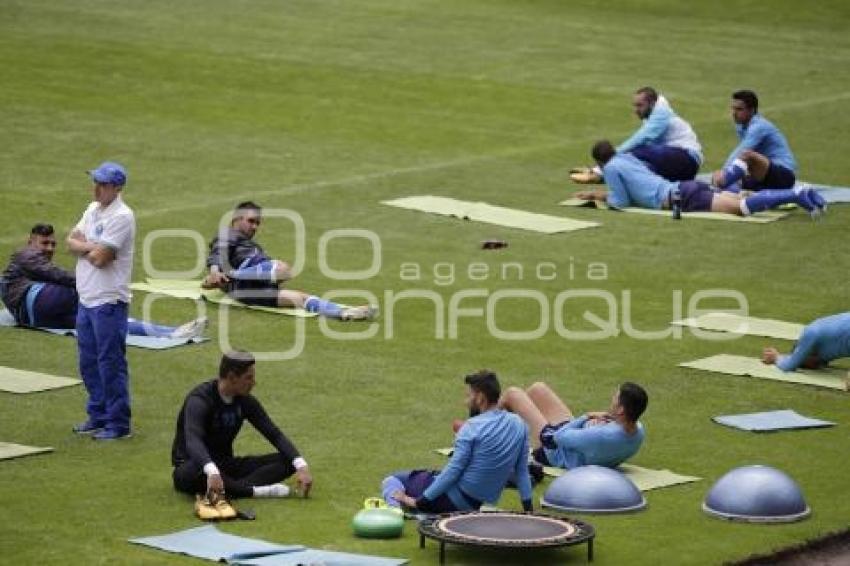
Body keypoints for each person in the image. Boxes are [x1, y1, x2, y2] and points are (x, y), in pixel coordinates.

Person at [1, 223, 206, 338]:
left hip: (37, 317)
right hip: (35, 304)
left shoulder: (25, 265)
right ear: (30, 243)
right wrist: (90, 282)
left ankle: (172, 332)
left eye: (53, 244)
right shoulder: (25, 254)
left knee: (106, 324)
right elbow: (56, 275)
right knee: (97, 296)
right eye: (44, 243)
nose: (49, 248)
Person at [171, 350, 313, 500]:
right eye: (248, 378)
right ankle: (253, 491)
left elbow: (274, 434)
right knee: (192, 471)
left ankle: (232, 489)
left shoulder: (244, 401)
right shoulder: (200, 400)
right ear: (232, 377)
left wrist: (301, 467)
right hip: (194, 467)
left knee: (288, 460)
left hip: (226, 465)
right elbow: (193, 440)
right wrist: (212, 471)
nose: (253, 383)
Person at [387, 370, 534, 513]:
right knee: (432, 475)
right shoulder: (520, 424)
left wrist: (419, 502)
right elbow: (522, 472)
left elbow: (453, 471)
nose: (466, 401)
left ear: (480, 397)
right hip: (475, 504)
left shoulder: (472, 427)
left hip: (449, 501)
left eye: (469, 396)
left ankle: (394, 512)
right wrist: (529, 512)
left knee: (393, 480)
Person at [203, 201, 376, 321]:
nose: (255, 226)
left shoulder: (247, 242)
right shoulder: (228, 234)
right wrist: (215, 272)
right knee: (283, 269)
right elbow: (218, 252)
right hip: (244, 282)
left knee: (300, 298)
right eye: (251, 221)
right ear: (236, 219)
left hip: (247, 292)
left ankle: (343, 312)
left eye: (257, 223)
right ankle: (232, 275)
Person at [66, 162, 136, 440]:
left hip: (108, 302)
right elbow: (71, 241)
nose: (96, 188)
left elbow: (100, 259)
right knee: (88, 362)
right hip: (86, 299)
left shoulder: (122, 216)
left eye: (103, 184)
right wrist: (92, 246)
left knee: (111, 364)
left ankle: (118, 424)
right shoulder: (92, 209)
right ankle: (97, 415)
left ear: (117, 188)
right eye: (95, 181)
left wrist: (90, 249)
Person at [574, 140, 825, 217]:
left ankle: (797, 194)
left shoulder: (611, 169)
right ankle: (807, 196)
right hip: (683, 188)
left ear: (599, 162)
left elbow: (621, 201)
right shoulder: (627, 157)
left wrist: (597, 195)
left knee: (741, 207)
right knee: (740, 198)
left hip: (681, 197)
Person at [500, 381, 648, 470]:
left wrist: (587, 417)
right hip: (575, 441)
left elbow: (556, 437)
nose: (612, 399)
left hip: (552, 450)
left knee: (512, 394)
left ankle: (483, 431)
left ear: (621, 410)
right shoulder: (638, 431)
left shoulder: (600, 436)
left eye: (616, 398)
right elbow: (601, 440)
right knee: (538, 389)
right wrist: (594, 424)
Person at [571, 86, 703, 183]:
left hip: (687, 159)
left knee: (639, 150)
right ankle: (599, 174)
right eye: (634, 106)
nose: (636, 111)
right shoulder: (653, 115)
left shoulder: (661, 113)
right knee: (638, 166)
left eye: (640, 106)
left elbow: (639, 140)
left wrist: (607, 159)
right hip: (680, 167)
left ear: (652, 103)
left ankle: (598, 175)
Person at [712, 90, 798, 192]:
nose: (734, 113)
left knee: (747, 156)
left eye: (739, 109)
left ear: (752, 110)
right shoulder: (741, 125)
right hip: (764, 174)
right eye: (732, 108)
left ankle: (721, 187)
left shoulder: (759, 126)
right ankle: (730, 191)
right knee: (719, 176)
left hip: (784, 175)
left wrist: (725, 172)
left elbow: (742, 151)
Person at [762, 312, 850, 372]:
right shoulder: (828, 351)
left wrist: (776, 357)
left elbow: (789, 365)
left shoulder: (811, 334)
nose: (814, 365)